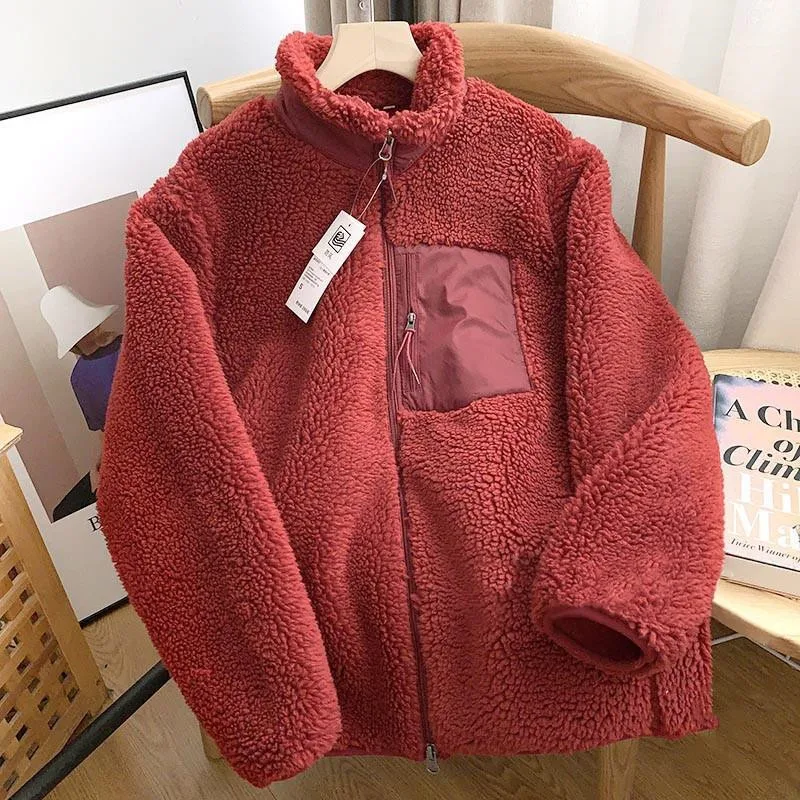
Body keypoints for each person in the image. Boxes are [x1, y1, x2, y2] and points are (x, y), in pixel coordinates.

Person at [40, 286, 121, 518]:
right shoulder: (79, 378)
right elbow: (104, 433)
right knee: (63, 512)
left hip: (133, 453)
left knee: (65, 512)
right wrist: (98, 467)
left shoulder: (125, 349)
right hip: (119, 454)